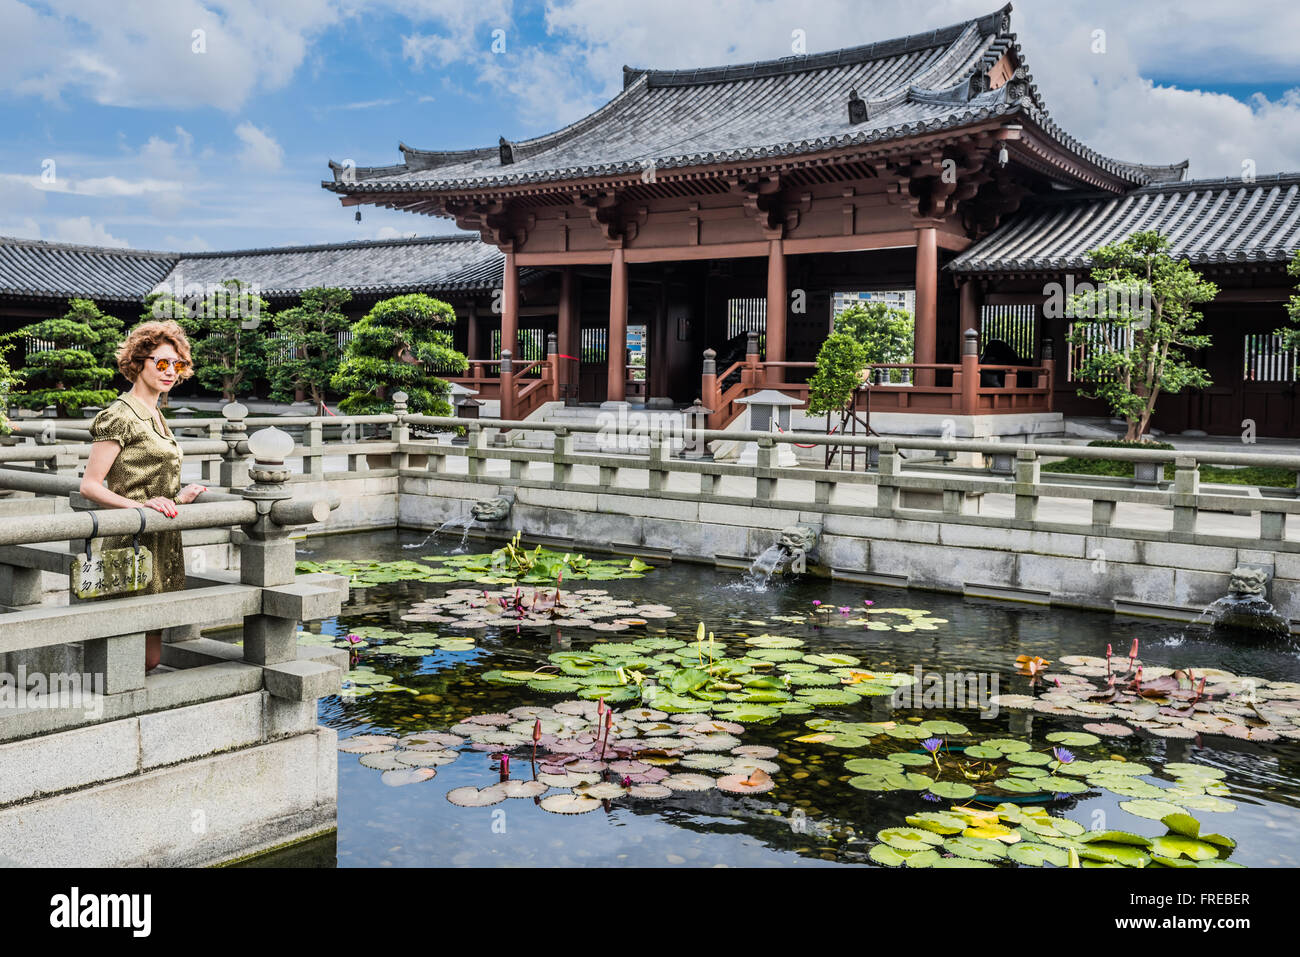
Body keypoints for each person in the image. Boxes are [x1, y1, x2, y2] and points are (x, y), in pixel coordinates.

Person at [79, 320, 208, 671]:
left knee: (150, 654)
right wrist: (142, 506)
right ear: (139, 362)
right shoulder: (119, 415)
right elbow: (90, 485)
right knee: (129, 652)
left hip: (163, 538)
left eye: (177, 365)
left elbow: (150, 481)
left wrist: (179, 498)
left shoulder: (156, 413)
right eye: (161, 363)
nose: (170, 372)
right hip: (130, 538)